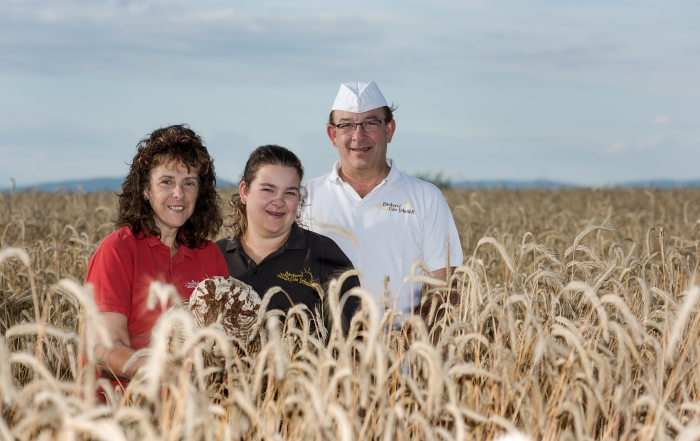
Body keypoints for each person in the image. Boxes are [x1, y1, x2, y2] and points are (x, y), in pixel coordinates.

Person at [303, 81, 463, 323]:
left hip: (402, 356)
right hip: (319, 355)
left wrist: (403, 344)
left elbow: (446, 288)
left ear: (389, 129)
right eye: (346, 125)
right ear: (332, 134)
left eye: (370, 123)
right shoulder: (304, 196)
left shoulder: (425, 197)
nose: (358, 135)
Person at [85, 124, 229, 390]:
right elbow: (104, 350)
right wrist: (167, 370)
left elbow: (225, 343)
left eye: (189, 183)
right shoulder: (117, 251)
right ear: (145, 189)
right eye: (166, 182)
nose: (179, 194)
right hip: (125, 416)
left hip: (190, 417)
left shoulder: (210, 256)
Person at [216, 145, 360, 334]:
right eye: (268, 190)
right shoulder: (214, 255)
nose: (278, 201)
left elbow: (355, 344)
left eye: (289, 193)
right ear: (244, 191)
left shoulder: (325, 255)